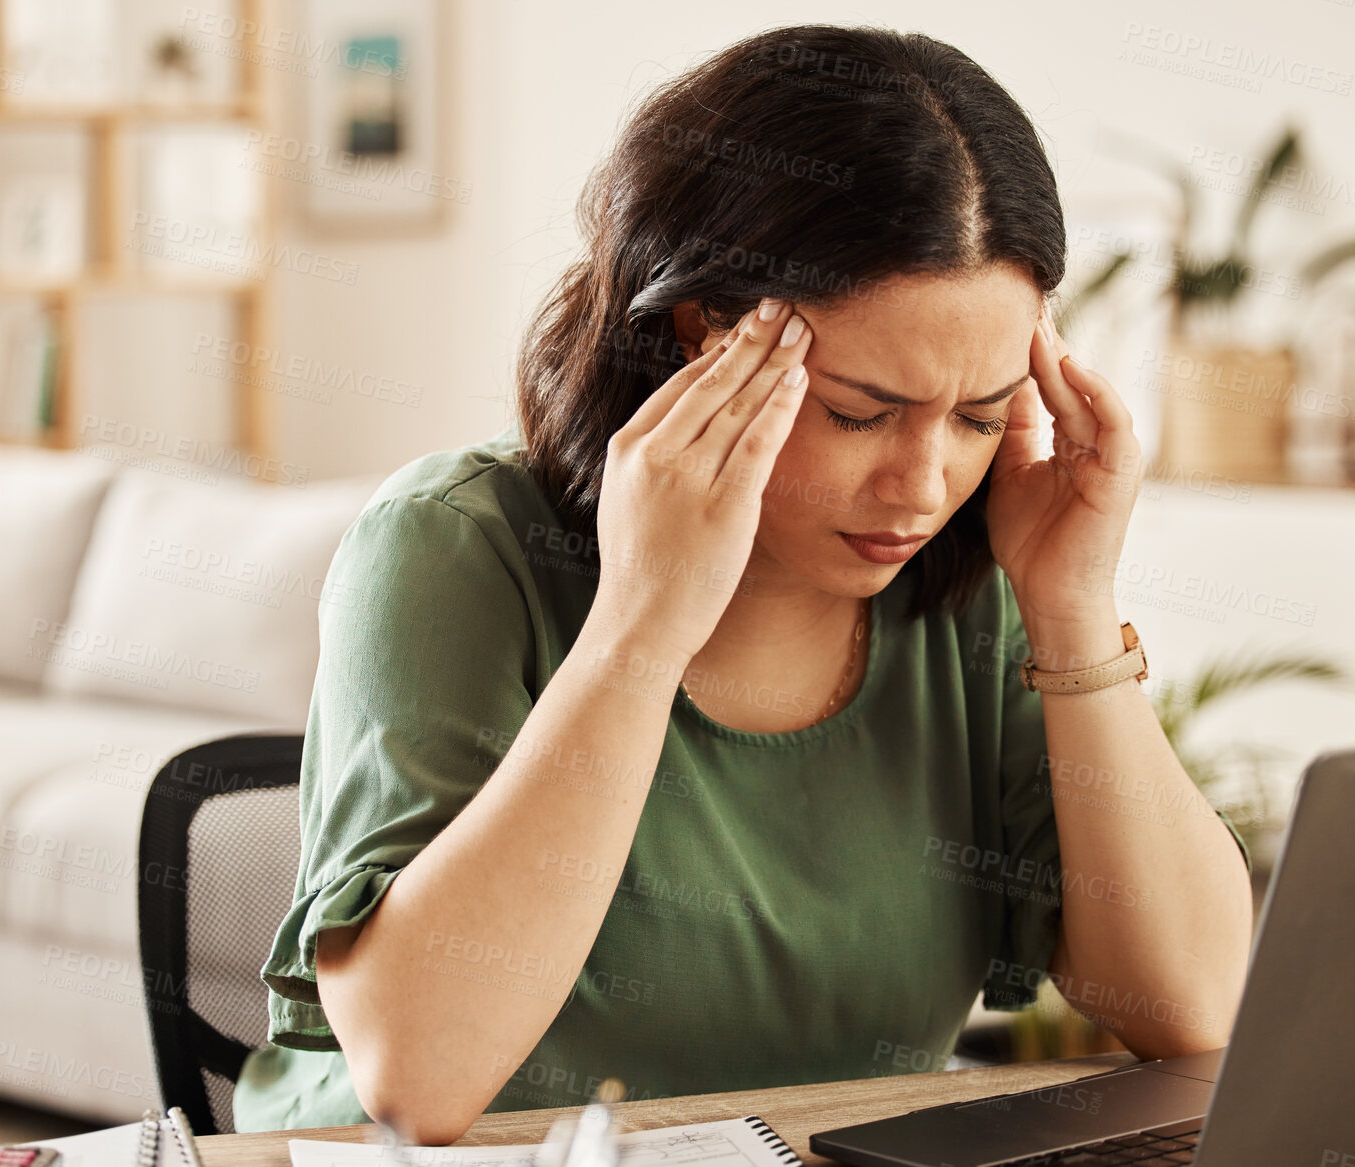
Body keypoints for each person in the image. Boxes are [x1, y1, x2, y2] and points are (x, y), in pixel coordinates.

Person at [232, 23, 1254, 1143]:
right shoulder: (453, 548)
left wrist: (1068, 612)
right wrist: (638, 626)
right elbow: (415, 1080)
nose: (921, 487)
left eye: (975, 417)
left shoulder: (974, 589)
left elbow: (1194, 1012)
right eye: (860, 411)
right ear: (700, 339)